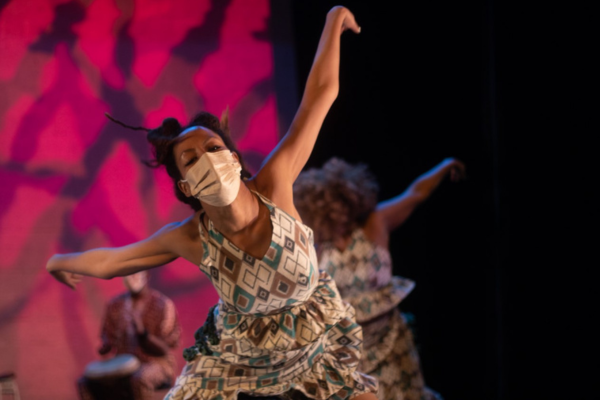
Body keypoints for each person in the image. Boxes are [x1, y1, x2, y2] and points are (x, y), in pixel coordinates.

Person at [46, 6, 379, 400]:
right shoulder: (191, 237)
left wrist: (333, 19)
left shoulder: (274, 184)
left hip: (313, 340)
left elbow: (319, 97)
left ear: (234, 159)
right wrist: (58, 263)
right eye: (191, 159)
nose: (207, 159)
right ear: (186, 187)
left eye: (214, 147)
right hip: (239, 356)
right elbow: (114, 260)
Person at [293, 157, 467, 400]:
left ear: (351, 200)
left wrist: (445, 166)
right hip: (350, 352)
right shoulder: (320, 247)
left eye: (341, 205)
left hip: (390, 342)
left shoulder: (374, 224)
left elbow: (415, 193)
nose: (338, 214)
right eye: (330, 209)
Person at [77, 270, 182, 400]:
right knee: (85, 382)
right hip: (123, 364)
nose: (131, 279)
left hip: (158, 364)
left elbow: (164, 349)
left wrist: (143, 335)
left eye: (135, 274)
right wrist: (105, 345)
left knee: (139, 378)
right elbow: (106, 338)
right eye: (127, 276)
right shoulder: (115, 305)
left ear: (146, 276)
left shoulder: (163, 304)